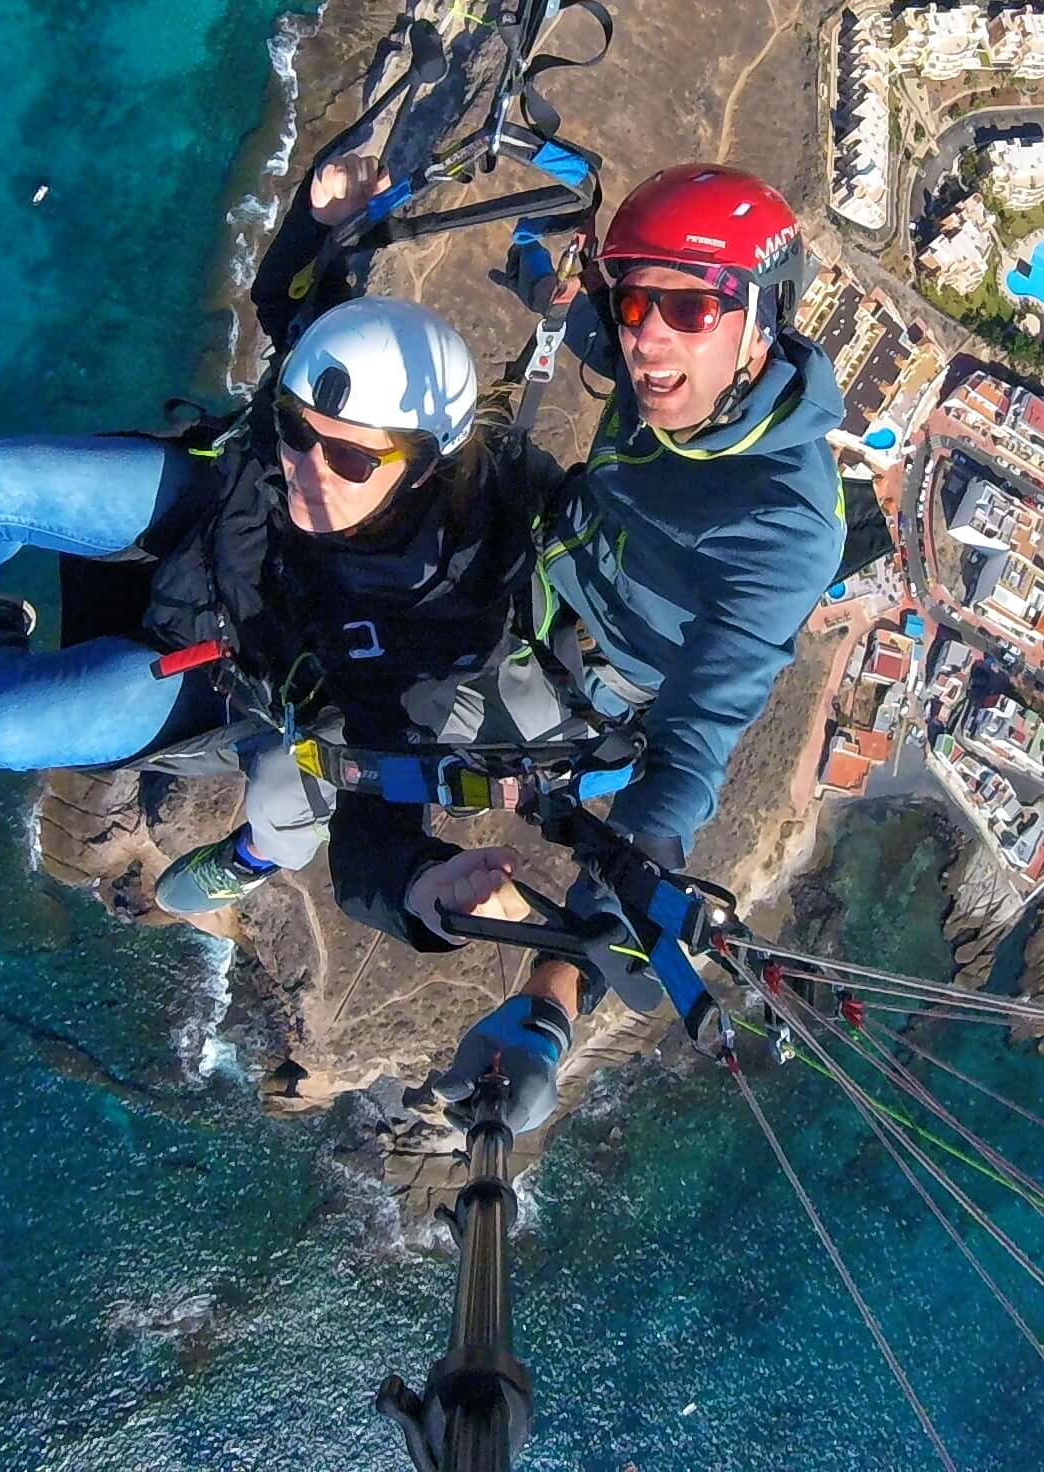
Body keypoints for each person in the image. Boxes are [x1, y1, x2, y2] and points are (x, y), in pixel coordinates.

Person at [0, 165, 544, 916]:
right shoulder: (326, 406)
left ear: (423, 466)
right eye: (293, 430)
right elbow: (287, 301)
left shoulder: (427, 616)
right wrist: (316, 221)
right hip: (206, 518)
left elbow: (386, 770)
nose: (308, 468)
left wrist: (416, 883)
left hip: (213, 675)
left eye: (349, 456)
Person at [342, 162, 850, 1130]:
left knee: (381, 711)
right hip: (539, 533)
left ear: (760, 322)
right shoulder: (678, 370)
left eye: (688, 307)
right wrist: (545, 271)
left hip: (571, 673)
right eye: (635, 301)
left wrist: (558, 997)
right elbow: (587, 315)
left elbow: (697, 737)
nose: (647, 335)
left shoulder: (789, 523)